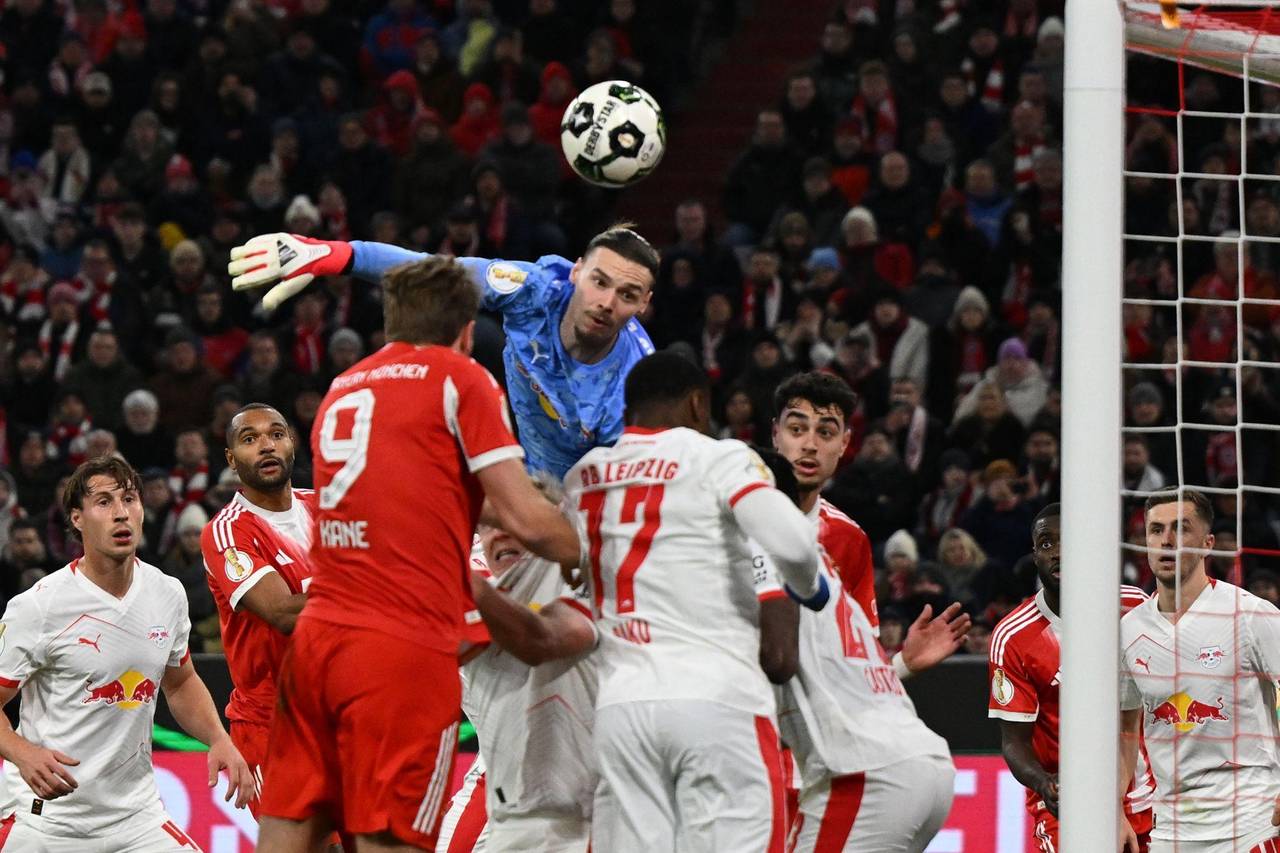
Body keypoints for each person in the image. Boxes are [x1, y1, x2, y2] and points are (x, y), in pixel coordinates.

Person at [257, 256, 582, 851]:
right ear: (466, 332)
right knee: (391, 841)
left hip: (318, 642)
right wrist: (604, 548)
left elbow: (415, 493)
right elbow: (527, 520)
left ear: (391, 324)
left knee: (289, 831)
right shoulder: (460, 379)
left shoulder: (343, 388)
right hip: (401, 647)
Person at [562, 352, 830, 851]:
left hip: (622, 705)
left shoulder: (584, 476)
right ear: (696, 404)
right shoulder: (718, 457)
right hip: (716, 698)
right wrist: (808, 585)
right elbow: (794, 544)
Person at [227, 224, 659, 478]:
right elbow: (431, 271)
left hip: (576, 495)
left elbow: (619, 491)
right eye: (599, 282)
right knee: (454, 313)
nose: (606, 302)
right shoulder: (534, 289)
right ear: (577, 272)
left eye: (627, 294)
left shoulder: (636, 386)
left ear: (644, 304)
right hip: (512, 452)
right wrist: (333, 254)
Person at [0, 456, 255, 849]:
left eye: (129, 499)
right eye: (104, 502)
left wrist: (218, 737)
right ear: (77, 518)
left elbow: (181, 682)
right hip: (45, 822)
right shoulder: (39, 606)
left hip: (136, 818)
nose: (121, 513)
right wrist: (23, 753)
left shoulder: (167, 593)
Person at [437, 474, 599, 853]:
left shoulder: (590, 580)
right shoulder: (463, 579)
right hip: (503, 785)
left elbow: (537, 639)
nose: (500, 534)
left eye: (514, 520)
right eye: (489, 525)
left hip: (596, 800)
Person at [1118, 488, 1280, 853]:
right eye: (1156, 530)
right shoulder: (1130, 630)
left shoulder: (1250, 614)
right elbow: (1125, 730)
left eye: (1181, 528)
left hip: (1252, 823)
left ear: (1208, 544)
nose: (1167, 540)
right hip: (1172, 829)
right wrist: (1116, 809)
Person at [989, 503, 1155, 853]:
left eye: (1069, 540)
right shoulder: (1014, 636)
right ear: (1035, 555)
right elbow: (1014, 742)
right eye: (1047, 543)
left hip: (1148, 794)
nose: (1058, 552)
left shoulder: (1134, 607)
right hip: (1070, 804)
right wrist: (1043, 782)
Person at [201, 402, 317, 818]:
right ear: (232, 459)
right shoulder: (228, 531)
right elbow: (283, 613)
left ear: (292, 444)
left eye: (276, 434)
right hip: (273, 726)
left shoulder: (327, 509)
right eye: (250, 439)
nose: (266, 446)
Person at [769, 371, 879, 629]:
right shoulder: (732, 519)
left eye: (826, 432)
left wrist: (906, 654)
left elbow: (859, 646)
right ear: (775, 434)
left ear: (844, 443)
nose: (810, 444)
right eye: (797, 429)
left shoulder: (850, 539)